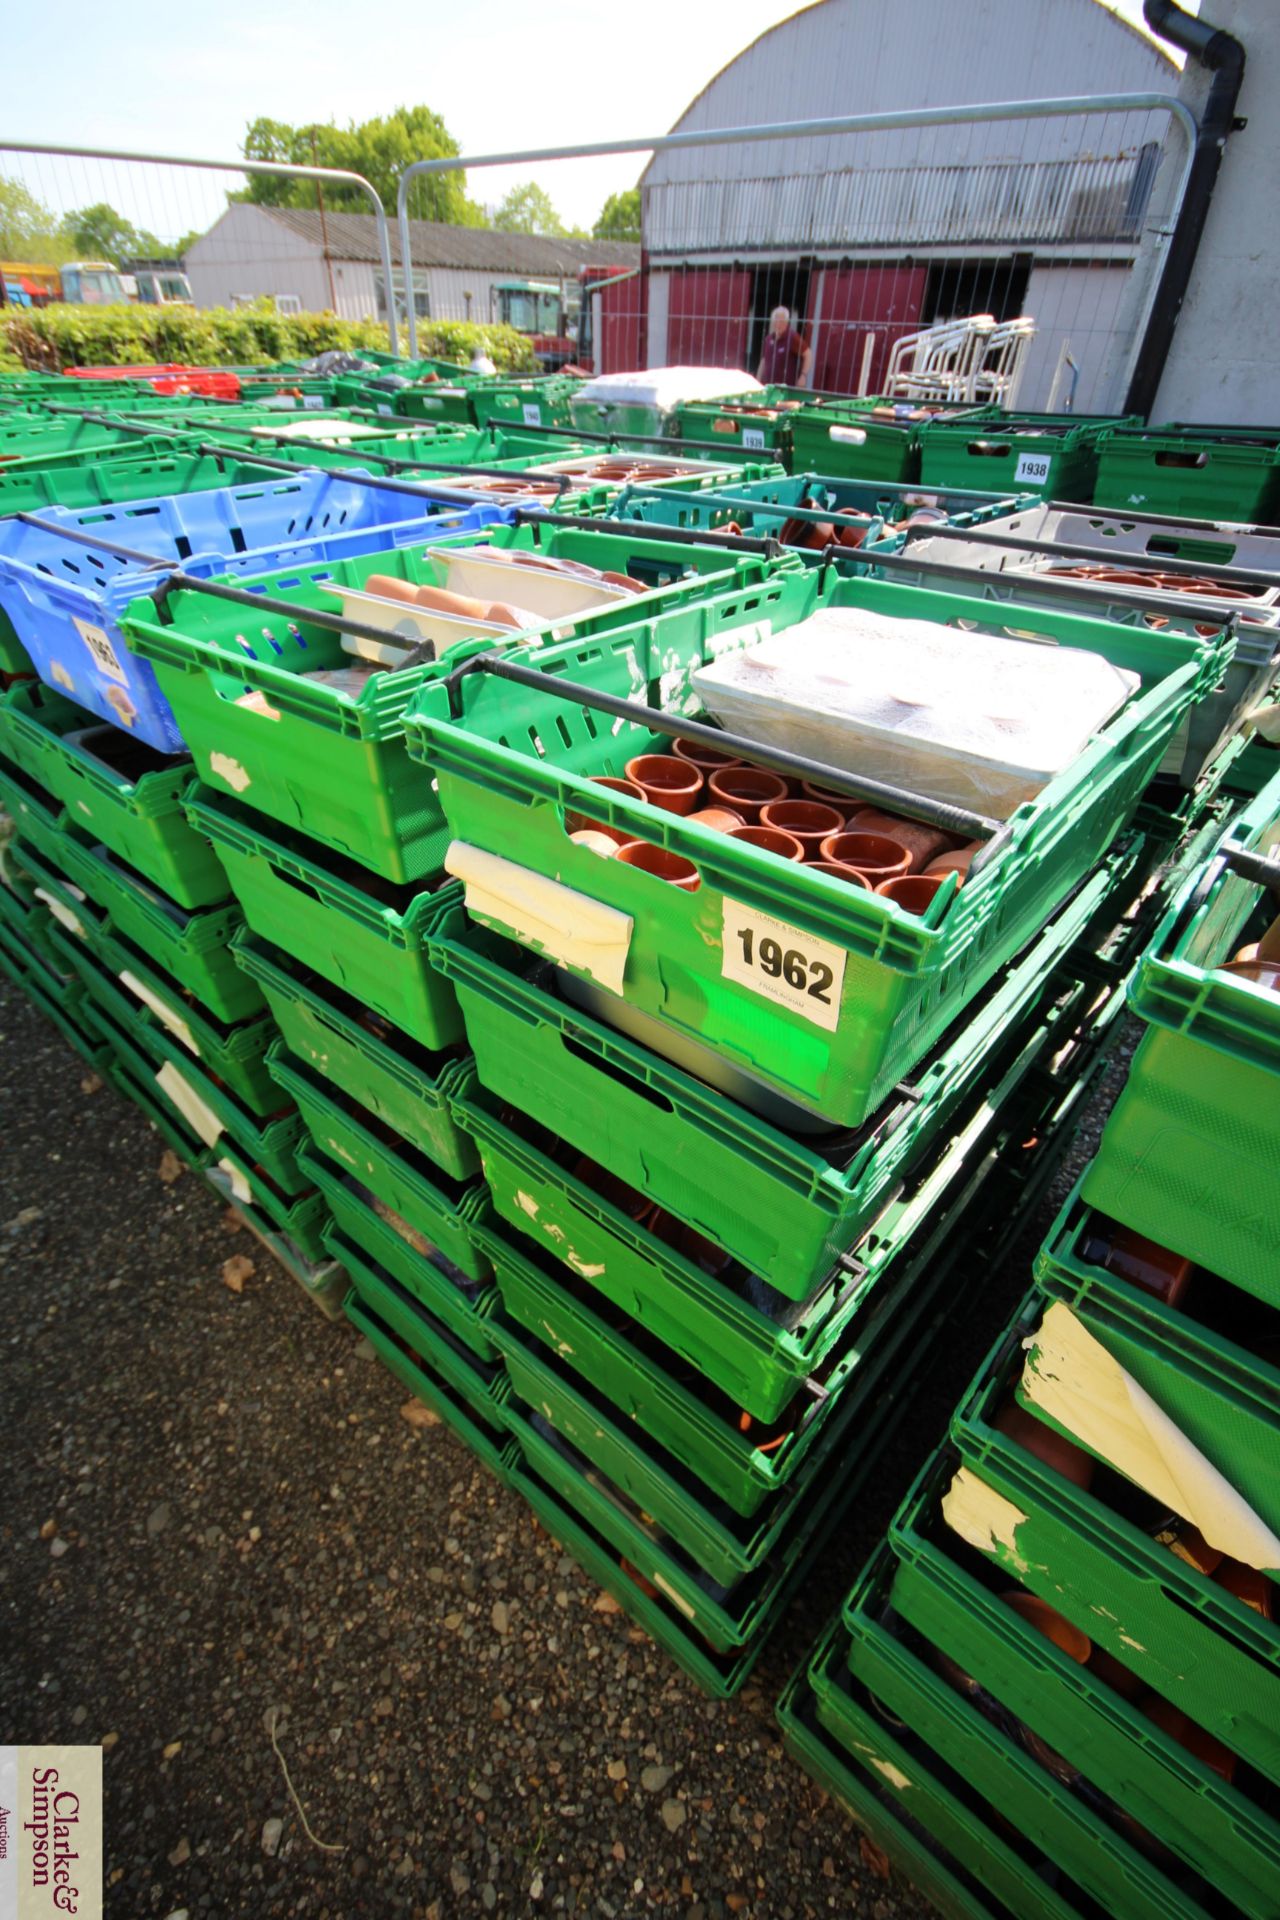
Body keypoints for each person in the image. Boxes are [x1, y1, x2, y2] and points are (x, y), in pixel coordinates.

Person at [757, 306, 812, 387]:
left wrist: (803, 376)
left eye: (781, 321)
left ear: (787, 322)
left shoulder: (793, 337)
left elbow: (808, 354)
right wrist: (757, 379)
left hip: (785, 389)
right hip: (768, 387)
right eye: (776, 320)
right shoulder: (768, 339)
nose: (778, 324)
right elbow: (763, 360)